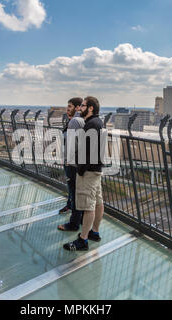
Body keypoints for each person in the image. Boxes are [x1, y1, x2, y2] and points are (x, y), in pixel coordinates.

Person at [64, 96, 104, 251]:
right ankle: (94, 232)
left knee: (88, 206)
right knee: (98, 202)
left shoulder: (91, 125)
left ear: (91, 108)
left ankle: (83, 240)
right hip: (96, 170)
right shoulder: (98, 123)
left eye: (82, 106)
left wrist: (81, 169)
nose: (79, 108)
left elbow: (87, 150)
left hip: (88, 172)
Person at [57, 98, 85, 232]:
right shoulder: (73, 121)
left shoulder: (76, 122)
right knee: (73, 191)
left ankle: (74, 223)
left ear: (78, 107)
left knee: (75, 192)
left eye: (70, 106)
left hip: (72, 163)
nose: (67, 108)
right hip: (71, 161)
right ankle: (74, 213)